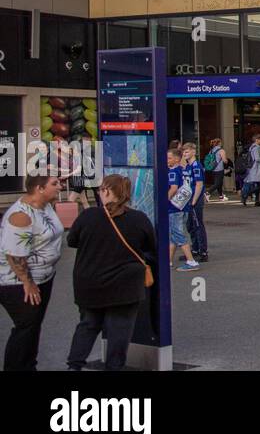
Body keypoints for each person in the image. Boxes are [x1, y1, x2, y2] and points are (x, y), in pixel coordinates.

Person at [64, 173, 156, 372]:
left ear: (106, 191)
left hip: (90, 283)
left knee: (87, 325)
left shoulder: (88, 216)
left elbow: (72, 241)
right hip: (126, 287)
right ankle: (114, 367)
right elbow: (151, 246)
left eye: (101, 189)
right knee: (119, 331)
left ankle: (74, 365)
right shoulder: (138, 219)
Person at [0, 175, 64, 371]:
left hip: (44, 276)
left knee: (34, 325)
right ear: (39, 188)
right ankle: (16, 366)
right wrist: (27, 282)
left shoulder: (45, 205)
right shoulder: (21, 215)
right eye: (54, 184)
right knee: (26, 325)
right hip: (17, 282)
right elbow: (14, 255)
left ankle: (29, 365)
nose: (60, 187)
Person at [166, 148, 201, 272]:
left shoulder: (173, 172)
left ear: (176, 159)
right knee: (174, 235)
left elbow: (174, 188)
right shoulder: (183, 170)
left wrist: (165, 200)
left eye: (169, 158)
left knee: (178, 234)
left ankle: (191, 261)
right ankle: (168, 260)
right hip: (183, 206)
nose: (167, 160)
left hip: (174, 207)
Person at [182, 142, 208, 263]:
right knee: (190, 225)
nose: (184, 154)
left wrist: (194, 201)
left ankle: (203, 251)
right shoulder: (188, 166)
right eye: (184, 152)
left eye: (187, 151)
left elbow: (199, 184)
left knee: (198, 225)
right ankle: (195, 248)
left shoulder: (196, 166)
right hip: (188, 199)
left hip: (194, 200)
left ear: (193, 151)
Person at [240, 134, 260, 206]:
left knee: (257, 184)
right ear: (257, 140)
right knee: (258, 185)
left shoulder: (252, 147)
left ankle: (257, 201)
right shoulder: (256, 148)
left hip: (253, 168)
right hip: (256, 168)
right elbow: (257, 159)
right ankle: (245, 195)